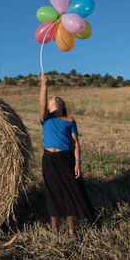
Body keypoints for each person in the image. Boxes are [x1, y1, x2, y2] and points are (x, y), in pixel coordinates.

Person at [39, 72, 97, 235]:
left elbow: (75, 142)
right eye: (52, 99)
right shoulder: (46, 119)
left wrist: (78, 162)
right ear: (49, 108)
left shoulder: (70, 120)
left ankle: (71, 230)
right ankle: (55, 231)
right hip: (49, 160)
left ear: (63, 106)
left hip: (67, 159)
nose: (54, 98)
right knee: (53, 193)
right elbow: (42, 105)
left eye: (58, 98)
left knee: (70, 191)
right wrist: (44, 85)